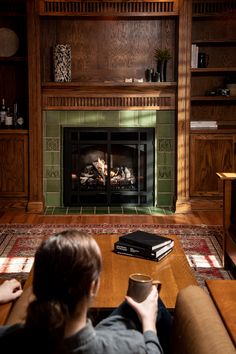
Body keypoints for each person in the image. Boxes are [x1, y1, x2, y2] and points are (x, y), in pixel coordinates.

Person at [0, 229, 172, 353]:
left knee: (136, 305)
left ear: (37, 286)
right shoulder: (132, 346)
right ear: (93, 286)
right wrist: (149, 324)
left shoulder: (8, 338)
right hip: (101, 339)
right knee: (150, 300)